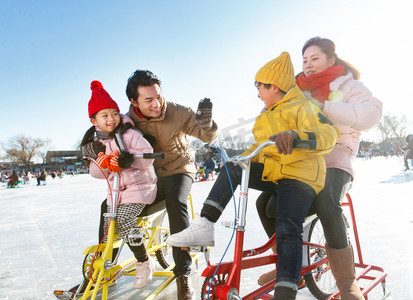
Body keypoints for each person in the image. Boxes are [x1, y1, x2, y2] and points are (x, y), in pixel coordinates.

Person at [166, 52, 339, 300]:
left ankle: (285, 291)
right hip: (275, 173)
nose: (257, 92)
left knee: (287, 225)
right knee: (234, 168)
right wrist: (240, 159)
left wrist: (297, 136)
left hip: (301, 176)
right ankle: (205, 225)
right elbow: (257, 151)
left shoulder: (303, 106)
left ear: (274, 86)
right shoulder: (265, 115)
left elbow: (328, 133)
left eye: (259, 86)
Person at [256, 37, 382, 300]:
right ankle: (290, 266)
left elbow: (371, 113)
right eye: (304, 60)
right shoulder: (296, 88)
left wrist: (325, 107)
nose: (308, 65)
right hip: (302, 160)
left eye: (315, 59)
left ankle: (347, 282)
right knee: (265, 204)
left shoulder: (348, 84)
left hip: (337, 156)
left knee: (327, 203)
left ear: (331, 60)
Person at [126, 70, 218, 299]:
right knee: (122, 207)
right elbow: (108, 136)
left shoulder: (178, 111)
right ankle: (126, 263)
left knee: (177, 203)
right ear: (133, 101)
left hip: (179, 170)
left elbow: (206, 137)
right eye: (148, 100)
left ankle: (183, 275)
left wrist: (207, 125)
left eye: (158, 96)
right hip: (149, 177)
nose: (157, 103)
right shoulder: (127, 122)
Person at [81, 80, 158, 289]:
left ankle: (144, 261)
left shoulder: (130, 134)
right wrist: (102, 162)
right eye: (104, 115)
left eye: (114, 113)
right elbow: (96, 174)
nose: (111, 119)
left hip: (140, 189)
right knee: (108, 222)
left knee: (122, 219)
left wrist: (128, 159)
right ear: (94, 120)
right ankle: (109, 265)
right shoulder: (98, 143)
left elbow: (148, 158)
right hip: (116, 194)